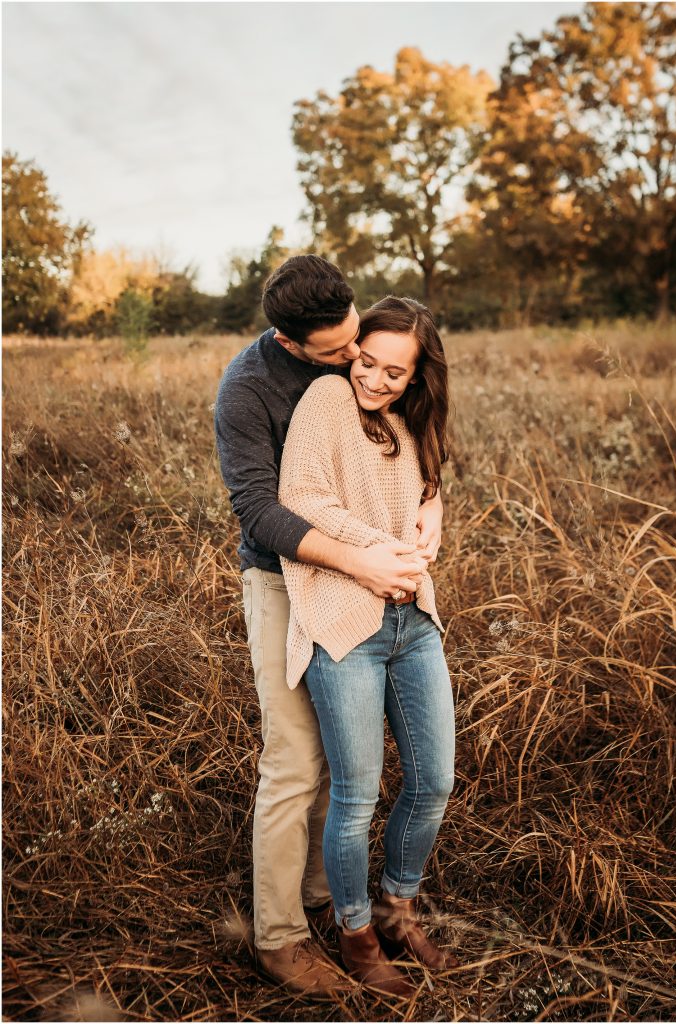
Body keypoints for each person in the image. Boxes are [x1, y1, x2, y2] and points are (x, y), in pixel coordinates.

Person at [214, 258, 444, 996]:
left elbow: (408, 444)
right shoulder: (248, 390)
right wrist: (364, 558)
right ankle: (280, 937)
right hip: (283, 576)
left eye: (357, 338)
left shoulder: (361, 352)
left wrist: (432, 501)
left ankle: (323, 893)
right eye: (340, 351)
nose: (355, 359)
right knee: (297, 759)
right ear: (291, 343)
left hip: (369, 576)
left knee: (345, 762)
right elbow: (262, 511)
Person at [278, 296, 458, 997]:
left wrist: (432, 508)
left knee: (433, 780)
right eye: (369, 361)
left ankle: (396, 908)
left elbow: (421, 491)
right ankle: (355, 932)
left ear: (416, 378)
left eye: (395, 372)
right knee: (356, 795)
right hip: (344, 624)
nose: (374, 379)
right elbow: (301, 496)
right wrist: (381, 549)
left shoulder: (409, 423)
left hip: (414, 622)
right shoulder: (327, 398)